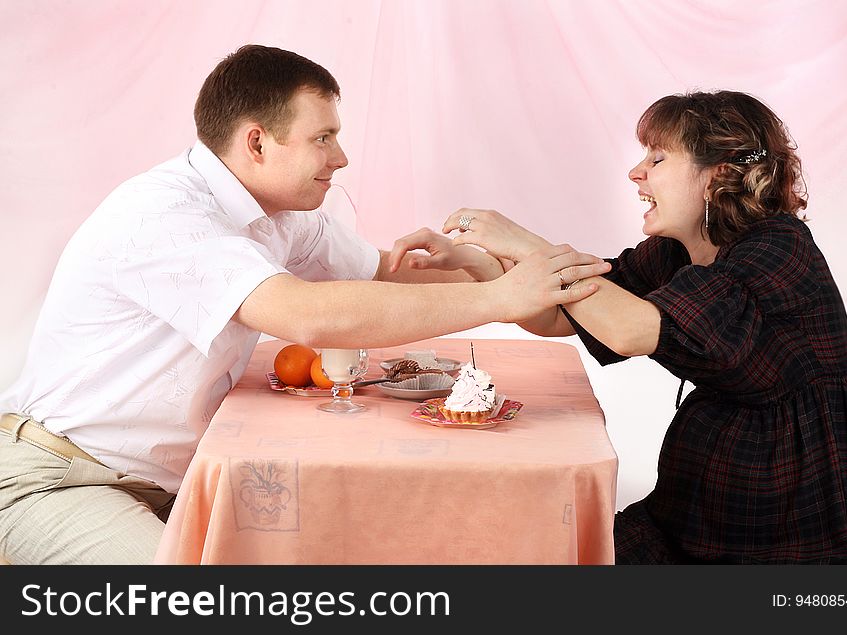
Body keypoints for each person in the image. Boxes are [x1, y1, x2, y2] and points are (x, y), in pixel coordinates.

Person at [0, 45, 607, 565]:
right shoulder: (164, 215)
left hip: (187, 481)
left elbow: (385, 282)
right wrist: (501, 297)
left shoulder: (280, 215)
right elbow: (305, 315)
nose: (340, 159)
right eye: (324, 138)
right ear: (257, 142)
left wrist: (474, 268)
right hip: (59, 477)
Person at [392, 90, 847, 563]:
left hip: (793, 541)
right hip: (691, 522)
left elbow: (629, 328)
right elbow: (561, 311)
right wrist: (476, 262)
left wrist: (522, 241)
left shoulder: (779, 248)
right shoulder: (677, 251)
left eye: (659, 158)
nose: (636, 172)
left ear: (721, 175)